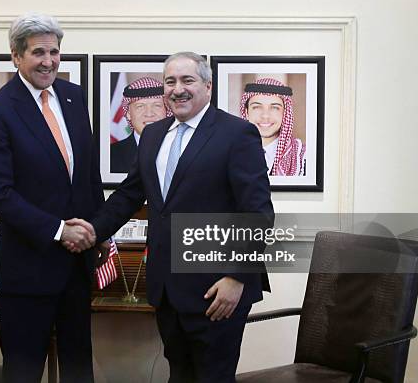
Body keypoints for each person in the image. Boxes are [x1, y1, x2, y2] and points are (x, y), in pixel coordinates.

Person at [69, 52, 273, 382]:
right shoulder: (152, 135)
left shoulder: (237, 134)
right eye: (170, 82)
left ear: (208, 86)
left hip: (217, 289)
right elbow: (128, 195)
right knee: (179, 374)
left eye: (187, 80)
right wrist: (93, 229)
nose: (178, 89)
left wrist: (237, 277)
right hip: (168, 289)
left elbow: (258, 213)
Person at [0, 13, 106, 383]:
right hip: (28, 270)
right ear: (16, 56)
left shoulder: (73, 97)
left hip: (77, 266)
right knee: (23, 371)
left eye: (54, 52)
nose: (48, 61)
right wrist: (58, 230)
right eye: (38, 53)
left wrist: (97, 230)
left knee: (79, 368)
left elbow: (87, 176)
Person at [240, 77, 306, 176]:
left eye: (275, 108)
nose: (265, 116)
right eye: (257, 107)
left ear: (285, 113)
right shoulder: (231, 153)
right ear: (246, 112)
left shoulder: (303, 157)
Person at [110, 76, 172, 173]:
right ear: (129, 114)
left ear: (166, 111)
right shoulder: (111, 154)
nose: (149, 113)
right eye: (140, 106)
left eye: (157, 105)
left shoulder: (181, 150)